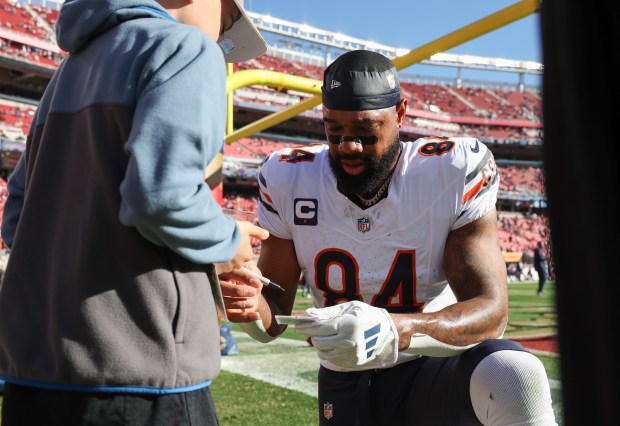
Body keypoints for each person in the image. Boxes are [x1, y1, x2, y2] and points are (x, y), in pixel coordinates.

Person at [220, 50, 557, 425]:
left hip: (431, 363)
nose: (348, 145)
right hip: (344, 376)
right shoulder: (288, 176)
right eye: (335, 132)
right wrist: (249, 305)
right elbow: (273, 318)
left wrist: (396, 329)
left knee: (513, 374)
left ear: (400, 113)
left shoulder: (451, 168)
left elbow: (491, 312)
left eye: (365, 132)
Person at [0, 0, 269, 425]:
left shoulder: (65, 74)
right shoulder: (186, 48)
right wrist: (228, 243)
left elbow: (17, 214)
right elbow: (161, 197)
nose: (222, 36)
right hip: (140, 373)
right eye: (229, 18)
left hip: (36, 377)